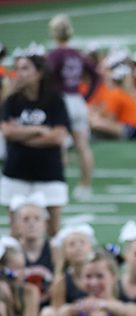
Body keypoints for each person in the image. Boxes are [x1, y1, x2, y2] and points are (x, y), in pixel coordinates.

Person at [1, 49, 70, 237]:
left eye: (25, 68)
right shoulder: (12, 101)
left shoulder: (55, 100)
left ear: (39, 73)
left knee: (54, 231)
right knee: (16, 232)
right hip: (16, 172)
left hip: (49, 173)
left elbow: (58, 136)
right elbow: (7, 132)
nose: (19, 73)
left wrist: (22, 136)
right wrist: (38, 130)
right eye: (17, 68)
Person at [47, 15, 97, 200]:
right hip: (77, 99)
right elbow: (95, 75)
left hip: (61, 101)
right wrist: (87, 96)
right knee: (82, 146)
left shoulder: (54, 55)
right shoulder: (78, 54)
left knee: (59, 146)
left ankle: (59, 184)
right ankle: (86, 185)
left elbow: (48, 77)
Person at [87, 63, 136, 141]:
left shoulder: (115, 93)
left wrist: (95, 116)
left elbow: (110, 118)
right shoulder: (123, 92)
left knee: (95, 123)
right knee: (95, 121)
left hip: (135, 128)